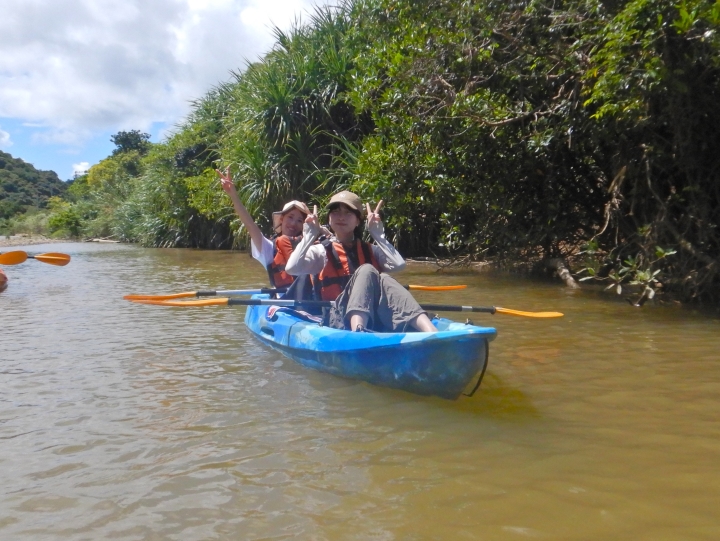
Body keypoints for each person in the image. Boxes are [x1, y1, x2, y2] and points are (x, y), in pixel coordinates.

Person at [285, 190, 437, 333]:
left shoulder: (371, 250)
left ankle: (431, 332)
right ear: (329, 218)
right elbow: (292, 268)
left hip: (374, 316)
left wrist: (378, 235)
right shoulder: (320, 252)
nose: (341, 217)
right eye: (336, 212)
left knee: (385, 278)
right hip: (337, 319)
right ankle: (358, 330)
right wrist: (309, 236)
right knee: (367, 269)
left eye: (348, 213)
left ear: (358, 221)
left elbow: (399, 265)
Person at [216, 167, 309, 290]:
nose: (293, 224)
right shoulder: (269, 248)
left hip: (307, 299)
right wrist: (234, 196)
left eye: (299, 220)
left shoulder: (310, 245)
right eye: (290, 217)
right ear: (281, 219)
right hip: (283, 298)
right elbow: (250, 225)